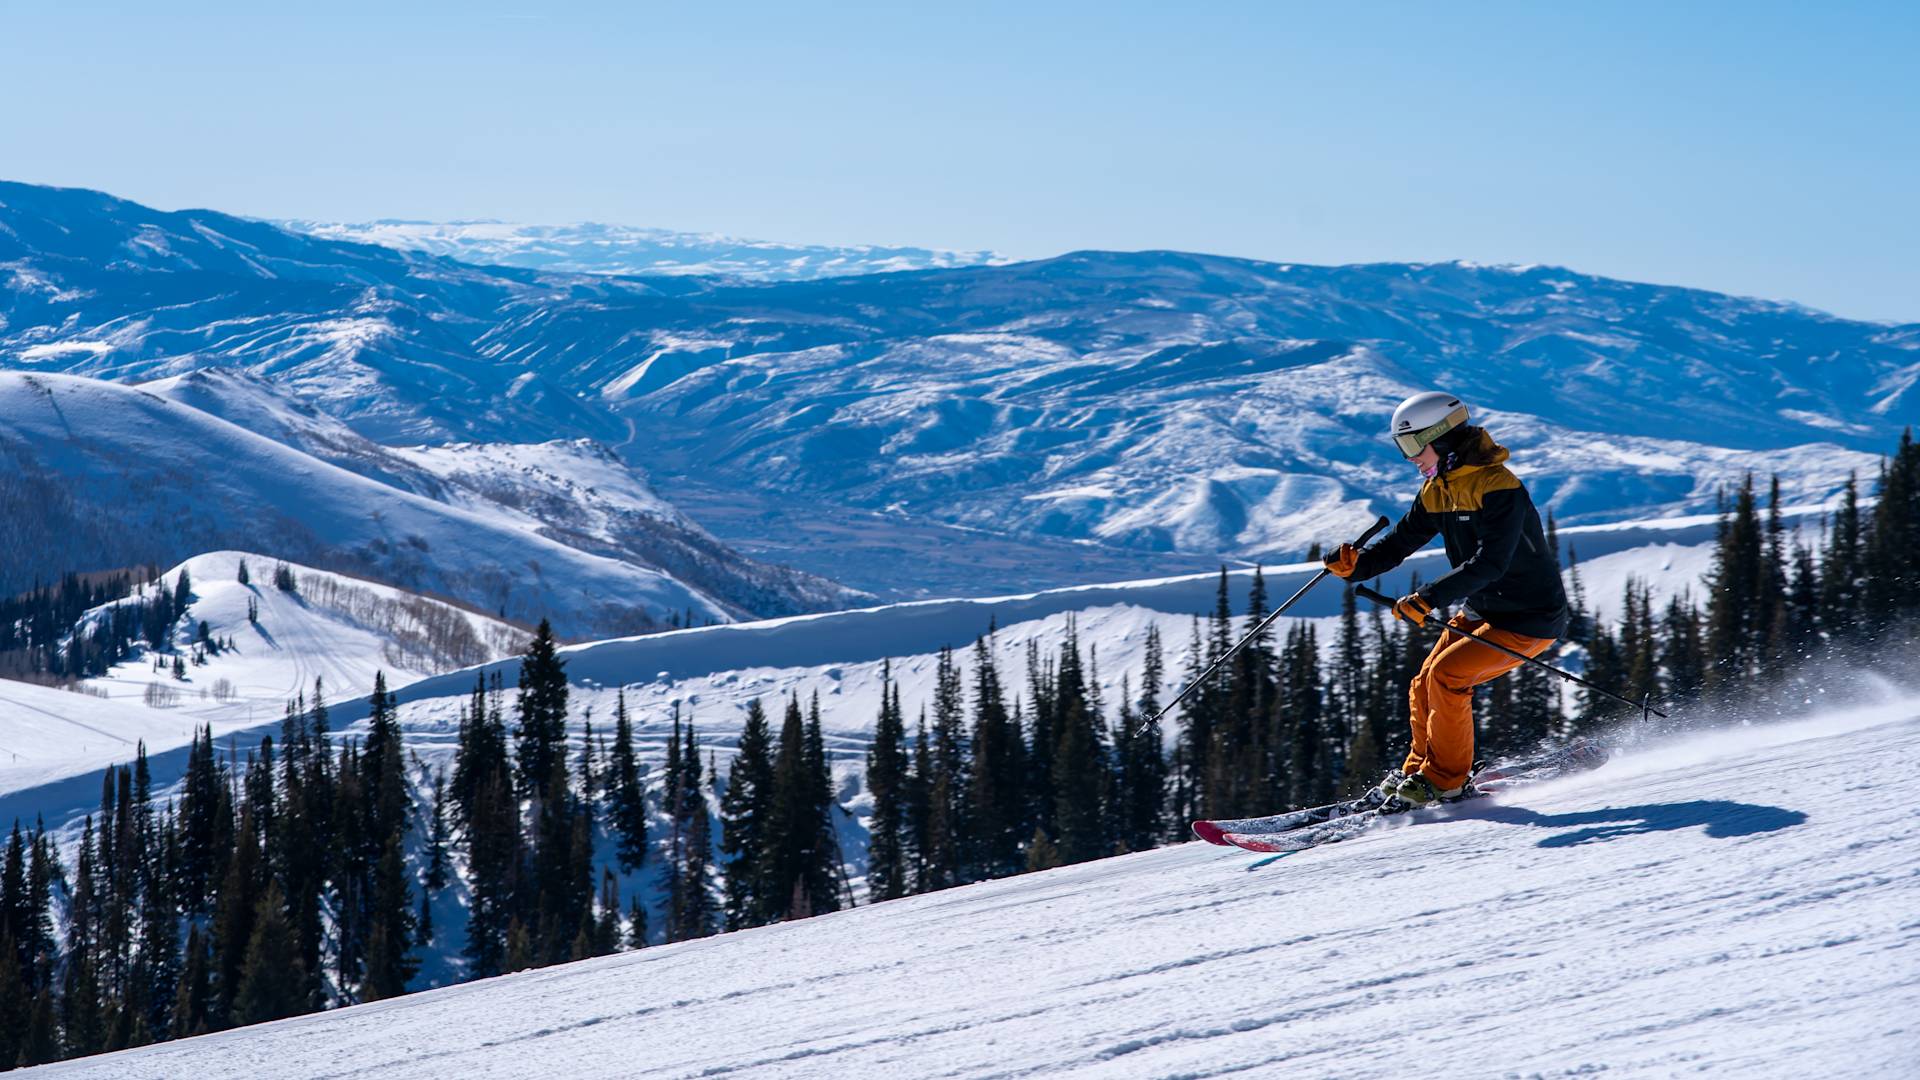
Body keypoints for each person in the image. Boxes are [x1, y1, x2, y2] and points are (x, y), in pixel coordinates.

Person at [1322, 391, 1570, 808]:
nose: (1410, 457)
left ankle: (1447, 781)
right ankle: (1418, 772)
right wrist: (1356, 567)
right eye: (1404, 447)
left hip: (1530, 617)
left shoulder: (1498, 488)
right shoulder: (1439, 488)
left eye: (1414, 445)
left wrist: (1428, 597)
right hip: (1484, 609)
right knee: (1423, 684)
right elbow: (1398, 544)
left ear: (1444, 437)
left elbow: (1490, 562)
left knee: (1447, 678)